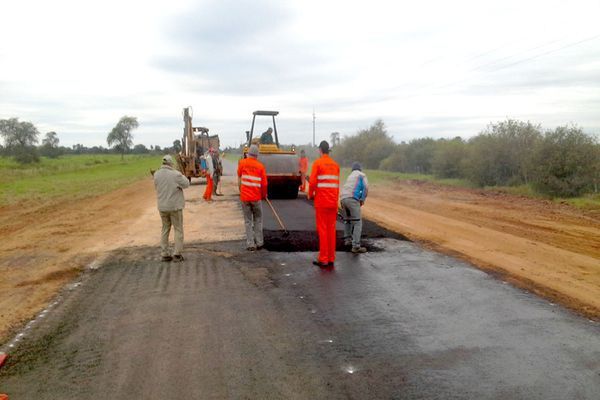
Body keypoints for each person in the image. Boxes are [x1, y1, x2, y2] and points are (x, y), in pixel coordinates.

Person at [308, 140, 340, 267]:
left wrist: (310, 194)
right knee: (331, 230)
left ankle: (323, 258)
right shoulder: (335, 165)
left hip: (322, 202)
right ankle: (331, 257)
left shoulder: (318, 163)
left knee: (323, 230)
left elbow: (312, 183)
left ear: (320, 150)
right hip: (332, 202)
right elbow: (336, 186)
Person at [153, 154, 190, 262]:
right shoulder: (175, 174)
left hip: (162, 207)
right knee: (178, 229)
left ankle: (164, 254)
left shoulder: (156, 174)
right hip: (174, 207)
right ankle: (177, 254)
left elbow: (156, 187)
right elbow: (187, 184)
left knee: (165, 229)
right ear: (170, 163)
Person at [237, 145, 268, 251]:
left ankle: (250, 244)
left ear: (248, 153)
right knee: (258, 220)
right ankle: (259, 243)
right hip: (256, 197)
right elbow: (264, 184)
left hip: (245, 197)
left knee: (248, 221)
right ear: (257, 155)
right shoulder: (260, 166)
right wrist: (264, 195)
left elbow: (239, 174)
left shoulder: (242, 163)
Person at [341, 162, 369, 253]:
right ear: (360, 169)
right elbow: (366, 187)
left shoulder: (350, 176)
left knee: (348, 220)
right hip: (352, 199)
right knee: (357, 222)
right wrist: (362, 199)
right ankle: (356, 246)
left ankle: (347, 240)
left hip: (343, 199)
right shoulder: (361, 175)